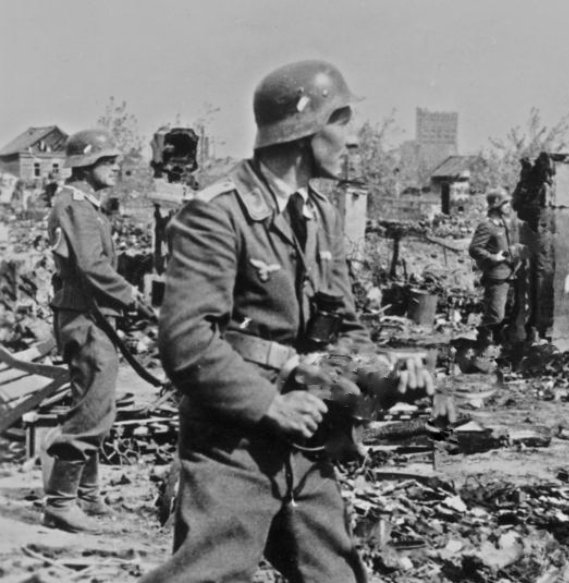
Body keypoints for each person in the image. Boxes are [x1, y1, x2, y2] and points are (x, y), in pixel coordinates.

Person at [141, 60, 438, 583]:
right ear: (304, 130)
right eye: (341, 123)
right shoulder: (218, 214)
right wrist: (270, 405)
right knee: (209, 574)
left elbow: (344, 329)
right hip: (232, 444)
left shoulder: (321, 214)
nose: (351, 140)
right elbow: (186, 342)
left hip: (307, 442)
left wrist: (385, 375)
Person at [44, 128, 139, 533]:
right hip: (87, 318)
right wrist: (131, 295)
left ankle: (87, 494)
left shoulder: (86, 205)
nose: (115, 167)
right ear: (86, 163)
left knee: (97, 404)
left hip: (92, 315)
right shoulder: (77, 205)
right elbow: (91, 266)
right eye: (108, 161)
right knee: (92, 407)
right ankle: (61, 503)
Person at [469, 188, 525, 346]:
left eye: (508, 202)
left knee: (509, 315)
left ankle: (497, 348)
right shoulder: (487, 226)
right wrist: (493, 258)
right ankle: (481, 345)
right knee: (495, 316)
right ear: (495, 205)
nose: (508, 205)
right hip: (496, 277)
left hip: (510, 275)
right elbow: (474, 249)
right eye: (505, 202)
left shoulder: (505, 224)